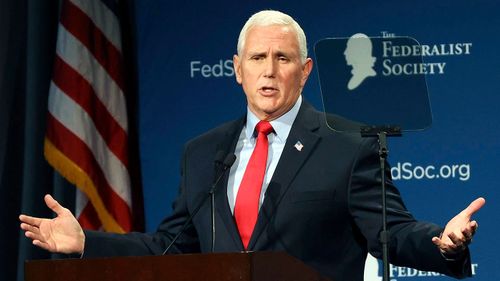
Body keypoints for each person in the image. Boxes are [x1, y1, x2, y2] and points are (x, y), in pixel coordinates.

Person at [20, 10, 484, 281]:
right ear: (237, 69)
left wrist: (442, 244)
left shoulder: (348, 144)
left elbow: (391, 232)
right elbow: (171, 246)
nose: (269, 70)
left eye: (282, 58)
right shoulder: (203, 152)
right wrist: (87, 243)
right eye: (258, 58)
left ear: (303, 72)